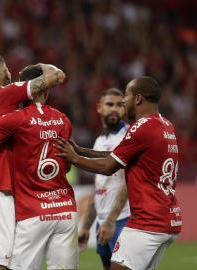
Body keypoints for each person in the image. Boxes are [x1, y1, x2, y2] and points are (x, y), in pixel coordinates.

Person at [56, 76, 182, 270]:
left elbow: (108, 166)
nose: (124, 101)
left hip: (147, 222)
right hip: (168, 219)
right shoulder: (166, 125)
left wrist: (73, 158)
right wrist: (82, 151)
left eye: (126, 95)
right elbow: (120, 154)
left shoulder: (141, 126)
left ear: (138, 99)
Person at [0, 65, 78, 270]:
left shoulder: (14, 120)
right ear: (46, 92)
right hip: (65, 210)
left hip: (31, 210)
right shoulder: (64, 120)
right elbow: (67, 165)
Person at [75, 88, 130, 270]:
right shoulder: (100, 140)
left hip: (123, 219)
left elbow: (129, 183)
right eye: (109, 104)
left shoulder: (129, 137)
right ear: (99, 108)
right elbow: (99, 186)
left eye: (119, 105)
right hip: (103, 221)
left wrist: (111, 220)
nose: (114, 109)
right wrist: (86, 226)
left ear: (125, 108)